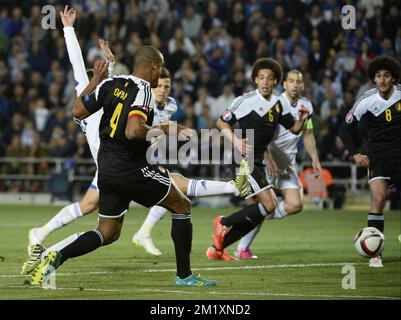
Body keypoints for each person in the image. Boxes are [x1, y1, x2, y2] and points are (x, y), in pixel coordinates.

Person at [22, 7, 250, 274]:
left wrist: (81, 42)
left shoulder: (104, 92)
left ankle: (47, 251)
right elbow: (128, 111)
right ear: (153, 67)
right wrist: (163, 128)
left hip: (107, 164)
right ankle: (231, 194)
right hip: (123, 163)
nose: (161, 84)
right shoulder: (135, 92)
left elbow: (101, 86)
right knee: (177, 194)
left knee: (106, 228)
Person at [132, 67, 251, 256]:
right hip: (133, 161)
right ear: (152, 87)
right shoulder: (142, 104)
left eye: (167, 86)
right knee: (103, 216)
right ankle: (234, 187)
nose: (163, 90)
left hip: (151, 160)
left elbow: (164, 131)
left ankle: (143, 232)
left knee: (175, 193)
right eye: (159, 86)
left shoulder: (171, 105)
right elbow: (137, 130)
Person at [206, 58, 309, 261]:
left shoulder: (279, 103)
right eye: (261, 77)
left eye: (270, 78)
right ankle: (223, 222)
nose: (265, 82)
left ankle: (216, 249)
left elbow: (294, 128)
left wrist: (302, 119)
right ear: (255, 80)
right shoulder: (246, 100)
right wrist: (235, 141)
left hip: (257, 161)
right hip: (241, 160)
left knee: (255, 212)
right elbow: (221, 122)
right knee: (269, 205)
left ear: (276, 82)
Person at [234, 69, 321, 259]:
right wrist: (267, 158)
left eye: (299, 81)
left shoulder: (306, 105)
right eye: (291, 81)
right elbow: (262, 136)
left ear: (303, 85)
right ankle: (242, 247)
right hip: (269, 160)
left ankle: (249, 219)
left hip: (288, 162)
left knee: (295, 204)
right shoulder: (275, 103)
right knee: (265, 204)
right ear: (284, 84)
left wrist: (314, 158)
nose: (295, 85)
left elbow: (307, 133)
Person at [339, 56, 401, 268]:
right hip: (378, 156)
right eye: (378, 76)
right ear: (373, 79)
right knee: (379, 198)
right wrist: (355, 153)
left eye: (386, 76)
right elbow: (344, 129)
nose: (382, 80)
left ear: (393, 77)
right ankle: (376, 253)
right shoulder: (366, 99)